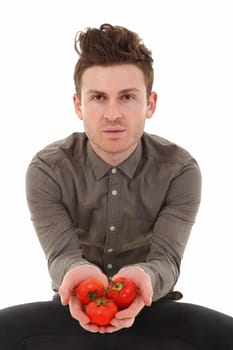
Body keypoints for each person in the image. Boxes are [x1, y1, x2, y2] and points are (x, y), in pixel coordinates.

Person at [0, 23, 233, 350]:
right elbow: (62, 256)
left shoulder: (180, 170)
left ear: (149, 104)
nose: (112, 114)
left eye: (127, 97)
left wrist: (144, 278)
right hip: (72, 309)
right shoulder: (47, 170)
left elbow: (166, 259)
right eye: (98, 97)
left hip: (154, 309)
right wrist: (81, 274)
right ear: (78, 105)